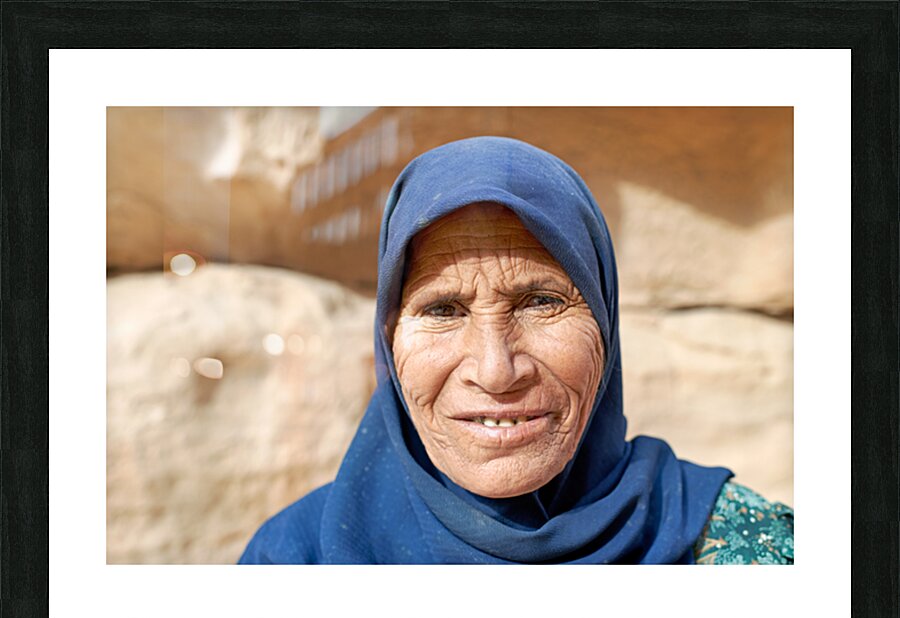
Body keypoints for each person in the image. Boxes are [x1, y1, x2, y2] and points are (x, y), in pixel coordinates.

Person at [239, 136, 793, 565]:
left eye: (540, 302)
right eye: (443, 310)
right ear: (389, 342)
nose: (495, 371)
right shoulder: (293, 561)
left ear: (605, 322)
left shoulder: (748, 551)